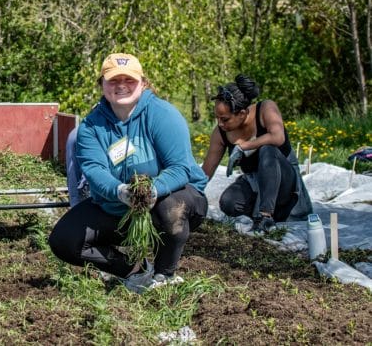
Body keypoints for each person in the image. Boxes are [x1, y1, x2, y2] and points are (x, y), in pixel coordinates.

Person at [49, 53, 208, 294]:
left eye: (129, 79)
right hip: (120, 205)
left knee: (170, 208)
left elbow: (180, 168)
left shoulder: (162, 115)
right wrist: (121, 191)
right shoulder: (91, 127)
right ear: (102, 84)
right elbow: (95, 170)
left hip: (176, 202)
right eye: (113, 80)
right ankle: (134, 270)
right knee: (64, 240)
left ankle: (164, 274)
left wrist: (153, 190)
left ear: (143, 83)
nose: (121, 85)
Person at [201, 74, 312, 232]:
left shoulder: (265, 109)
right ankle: (258, 212)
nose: (220, 123)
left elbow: (277, 137)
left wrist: (245, 146)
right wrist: (187, 194)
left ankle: (265, 217)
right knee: (229, 202)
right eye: (217, 118)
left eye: (225, 119)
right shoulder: (221, 133)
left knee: (268, 149)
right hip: (254, 184)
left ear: (242, 113)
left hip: (285, 185)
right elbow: (206, 172)